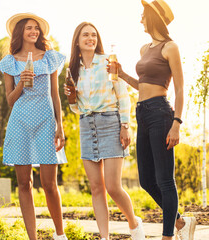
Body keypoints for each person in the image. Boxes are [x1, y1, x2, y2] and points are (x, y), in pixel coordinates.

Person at [112, 1, 196, 239]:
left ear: (153, 17)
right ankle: (180, 221)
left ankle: (167, 235)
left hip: (161, 113)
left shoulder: (171, 47)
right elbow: (143, 86)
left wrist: (177, 123)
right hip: (143, 113)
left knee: (165, 179)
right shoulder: (144, 48)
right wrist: (123, 73)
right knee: (147, 180)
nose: (140, 19)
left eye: (143, 15)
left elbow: (179, 88)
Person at [64, 22, 145, 240]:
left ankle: (134, 224)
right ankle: (104, 237)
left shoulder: (109, 62)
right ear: (77, 41)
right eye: (85, 35)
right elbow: (75, 107)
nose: (90, 38)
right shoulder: (72, 69)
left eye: (93, 35)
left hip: (110, 123)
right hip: (86, 125)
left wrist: (125, 125)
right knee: (96, 188)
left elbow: (123, 95)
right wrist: (71, 97)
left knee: (113, 187)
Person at [0, 13, 67, 240]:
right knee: (24, 183)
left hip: (46, 121)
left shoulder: (50, 58)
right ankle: (32, 238)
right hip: (20, 123)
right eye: (28, 28)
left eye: (36, 28)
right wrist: (21, 83)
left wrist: (60, 126)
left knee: (49, 184)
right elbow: (9, 100)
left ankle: (60, 234)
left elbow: (55, 95)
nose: (33, 31)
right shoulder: (10, 62)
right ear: (20, 32)